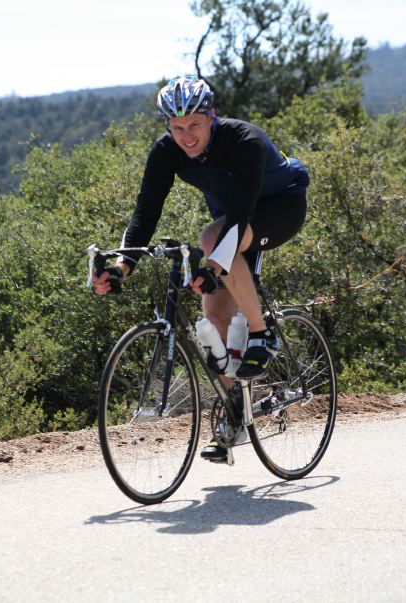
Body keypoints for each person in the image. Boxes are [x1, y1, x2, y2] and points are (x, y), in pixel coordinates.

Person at [91, 75, 309, 462]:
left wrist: (211, 264)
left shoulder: (245, 141)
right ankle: (234, 417)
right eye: (177, 128)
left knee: (211, 240)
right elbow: (145, 213)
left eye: (194, 125)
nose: (186, 136)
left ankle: (263, 334)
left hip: (279, 208)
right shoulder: (166, 152)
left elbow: (240, 215)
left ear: (211, 117)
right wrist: (123, 266)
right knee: (213, 317)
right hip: (234, 222)